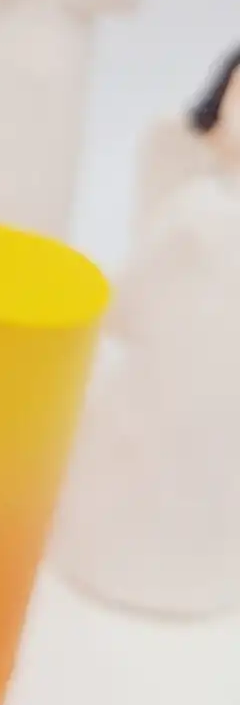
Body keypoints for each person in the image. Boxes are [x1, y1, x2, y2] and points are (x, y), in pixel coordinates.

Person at [53, 39, 240, 617]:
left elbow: (129, 296)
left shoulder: (204, 207)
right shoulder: (199, 204)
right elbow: (136, 291)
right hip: (170, 381)